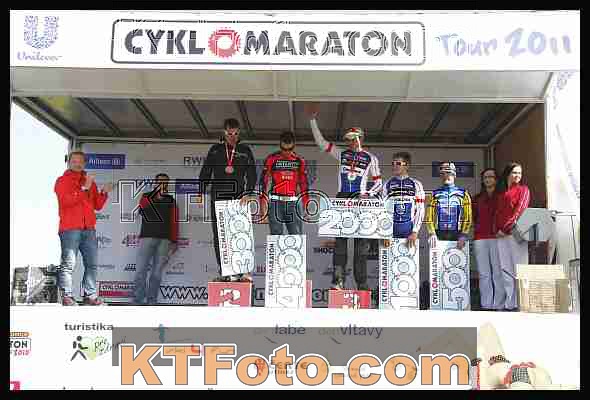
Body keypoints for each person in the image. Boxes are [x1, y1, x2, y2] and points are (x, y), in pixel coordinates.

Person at [306, 104, 382, 290]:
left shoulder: (371, 158)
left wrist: (367, 194)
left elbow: (379, 183)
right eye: (348, 139)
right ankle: (338, 281)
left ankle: (361, 284)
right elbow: (321, 143)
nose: (351, 142)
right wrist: (312, 120)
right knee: (340, 243)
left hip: (360, 201)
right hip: (342, 199)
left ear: (361, 138)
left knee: (360, 245)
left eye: (354, 139)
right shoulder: (342, 154)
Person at [197, 118, 257, 282]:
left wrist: (248, 193)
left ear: (239, 133)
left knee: (240, 234)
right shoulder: (215, 149)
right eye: (230, 134)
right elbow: (206, 171)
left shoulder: (245, 150)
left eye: (236, 134)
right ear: (224, 132)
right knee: (220, 235)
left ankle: (242, 270)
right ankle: (225, 270)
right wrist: (200, 191)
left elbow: (252, 174)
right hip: (218, 197)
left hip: (238, 197)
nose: (233, 137)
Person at [54, 151, 112, 306]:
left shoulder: (89, 181)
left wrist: (104, 192)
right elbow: (66, 201)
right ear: (69, 163)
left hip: (89, 229)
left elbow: (97, 205)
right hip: (70, 228)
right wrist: (84, 188)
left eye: (80, 161)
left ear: (84, 163)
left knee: (92, 264)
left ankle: (90, 296)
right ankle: (67, 296)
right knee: (68, 264)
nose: (77, 164)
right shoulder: (62, 181)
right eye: (74, 161)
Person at [134, 173, 179, 305]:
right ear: (155, 183)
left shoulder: (171, 200)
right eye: (160, 181)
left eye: (165, 182)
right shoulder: (146, 196)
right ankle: (138, 299)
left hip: (164, 240)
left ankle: (152, 300)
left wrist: (174, 240)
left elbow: (174, 221)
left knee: (157, 272)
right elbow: (141, 210)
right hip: (147, 237)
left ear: (167, 184)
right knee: (140, 270)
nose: (162, 184)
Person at [495, 162, 530, 312]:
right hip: (500, 236)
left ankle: (523, 302)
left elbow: (520, 211)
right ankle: (510, 303)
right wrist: (497, 230)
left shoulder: (524, 190)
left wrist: (506, 228)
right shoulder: (501, 192)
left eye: (519, 173)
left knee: (520, 268)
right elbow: (496, 213)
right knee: (506, 268)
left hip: (516, 234)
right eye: (514, 172)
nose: (517, 176)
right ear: (508, 174)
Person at [260, 131, 310, 235]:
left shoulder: (299, 161)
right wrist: (262, 206)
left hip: (293, 202)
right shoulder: (272, 159)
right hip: (275, 202)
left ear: (294, 146)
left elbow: (304, 184)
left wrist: (306, 205)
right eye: (284, 149)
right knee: (276, 236)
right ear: (280, 146)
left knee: (296, 236)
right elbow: (263, 183)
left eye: (290, 149)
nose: (287, 152)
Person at [472, 168, 505, 311]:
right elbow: (474, 217)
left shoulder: (502, 196)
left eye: (491, 176)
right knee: (484, 273)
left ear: (496, 179)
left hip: (497, 237)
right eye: (485, 177)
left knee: (498, 272)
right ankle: (486, 304)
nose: (488, 179)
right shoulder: (477, 198)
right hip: (480, 238)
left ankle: (499, 304)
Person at [381, 151, 426, 248]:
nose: (394, 166)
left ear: (407, 165)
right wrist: (385, 232)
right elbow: (382, 210)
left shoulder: (416, 184)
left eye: (398, 163)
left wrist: (415, 231)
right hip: (390, 232)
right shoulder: (387, 184)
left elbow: (420, 210)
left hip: (409, 232)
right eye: (393, 163)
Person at [426, 162, 472, 250]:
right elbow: (429, 217)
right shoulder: (435, 194)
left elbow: (468, 217)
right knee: (438, 259)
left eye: (448, 173)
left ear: (454, 175)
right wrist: (432, 233)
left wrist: (463, 234)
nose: (445, 176)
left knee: (456, 258)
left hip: (457, 235)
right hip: (439, 234)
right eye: (442, 173)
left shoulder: (463, 194)